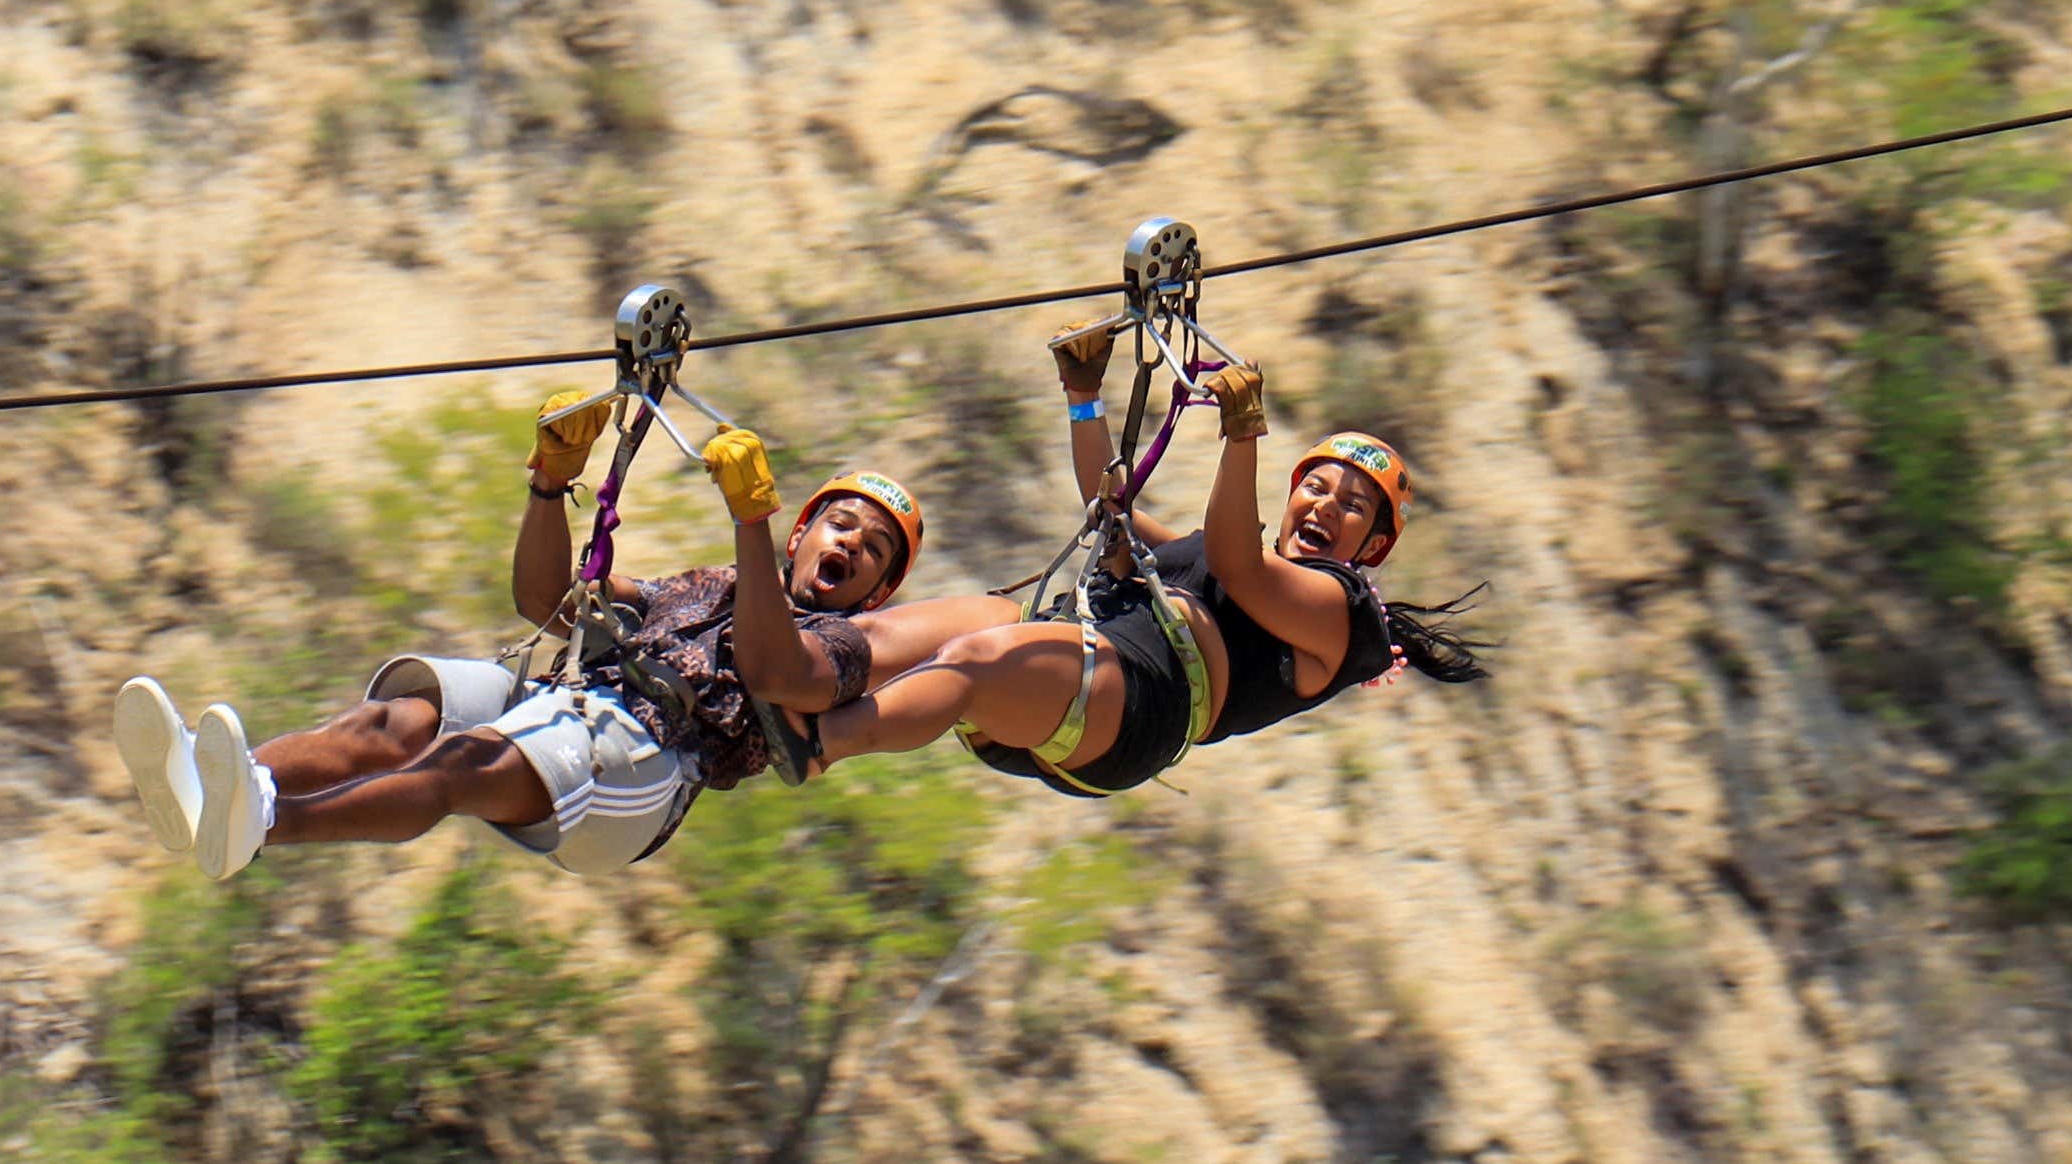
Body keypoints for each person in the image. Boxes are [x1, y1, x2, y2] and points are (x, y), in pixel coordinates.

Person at [115, 393, 1017, 879]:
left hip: (652, 768)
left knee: (462, 767)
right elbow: (548, 601)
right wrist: (549, 484)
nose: (852, 543)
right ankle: (220, 784)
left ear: (880, 588)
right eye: (841, 524)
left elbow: (782, 666)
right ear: (803, 533)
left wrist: (750, 515)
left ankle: (263, 821)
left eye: (874, 548)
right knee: (402, 721)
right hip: (582, 704)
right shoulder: (696, 587)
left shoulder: (852, 649)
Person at [799, 323, 1491, 795]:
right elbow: (1113, 514)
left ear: (1370, 546)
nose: (1325, 508)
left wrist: (1241, 434)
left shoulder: (1337, 611)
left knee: (980, 658)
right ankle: (789, 671)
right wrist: (1083, 395)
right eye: (1316, 487)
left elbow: (1240, 567)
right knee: (959, 625)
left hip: (1139, 708)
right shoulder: (1206, 555)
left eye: (1351, 506)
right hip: (1077, 664)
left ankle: (818, 742)